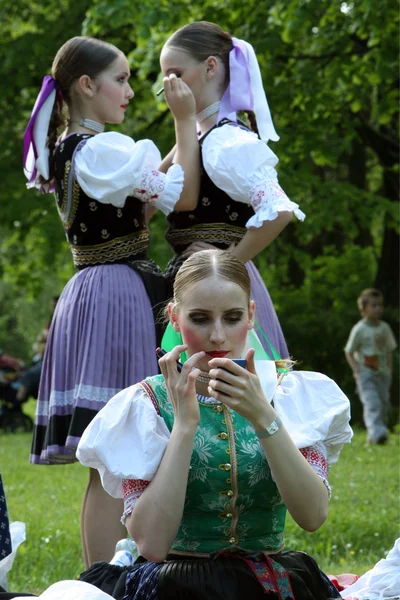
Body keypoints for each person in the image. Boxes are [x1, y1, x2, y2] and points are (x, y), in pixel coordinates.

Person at [77, 249, 353, 599]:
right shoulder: (145, 405)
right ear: (175, 319)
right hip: (176, 585)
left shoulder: (292, 395)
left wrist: (263, 416)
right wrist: (185, 427)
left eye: (233, 317)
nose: (218, 336)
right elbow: (152, 544)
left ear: (251, 315)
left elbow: (312, 516)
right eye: (201, 318)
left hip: (270, 582)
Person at [23, 35, 200, 567]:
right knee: (116, 450)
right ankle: (104, 580)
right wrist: (186, 120)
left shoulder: (78, 147)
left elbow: (143, 198)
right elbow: (182, 199)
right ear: (86, 85)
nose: (128, 91)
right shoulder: (104, 149)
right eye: (120, 79)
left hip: (93, 289)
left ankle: (107, 574)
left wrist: (173, 144)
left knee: (113, 451)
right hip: (116, 295)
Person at [158, 21, 306, 358]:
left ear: (210, 67)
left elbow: (280, 210)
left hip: (224, 294)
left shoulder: (226, 141)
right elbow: (147, 200)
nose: (168, 86)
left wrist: (226, 263)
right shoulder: (196, 138)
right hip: (194, 291)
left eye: (176, 74)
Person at [344, 288, 397, 445]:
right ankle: (379, 434)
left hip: (383, 374)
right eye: (373, 305)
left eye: (380, 305)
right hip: (366, 374)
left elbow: (388, 351)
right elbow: (349, 351)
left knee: (383, 403)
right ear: (363, 309)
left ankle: (375, 434)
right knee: (372, 403)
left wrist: (389, 370)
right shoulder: (359, 329)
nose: (378, 309)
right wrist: (357, 371)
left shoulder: (384, 328)